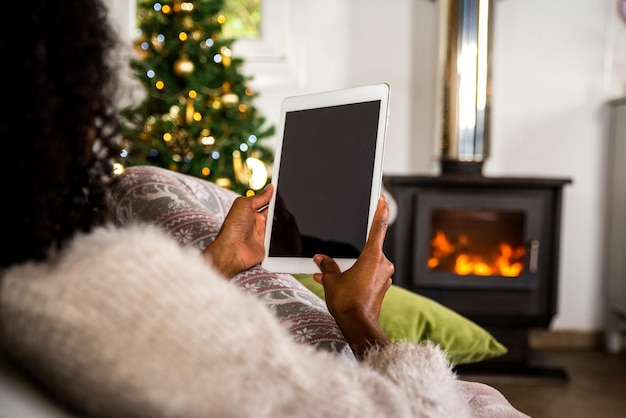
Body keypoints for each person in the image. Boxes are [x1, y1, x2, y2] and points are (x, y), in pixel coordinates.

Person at [0, 0, 529, 417]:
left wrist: (220, 262)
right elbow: (417, 413)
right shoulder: (82, 297)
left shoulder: (29, 286)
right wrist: (357, 316)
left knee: (141, 182)